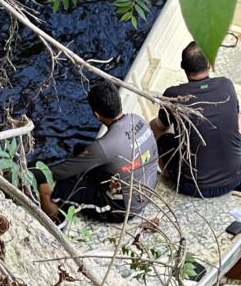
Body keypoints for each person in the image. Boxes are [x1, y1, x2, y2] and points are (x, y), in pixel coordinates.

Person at [36, 79, 158, 223]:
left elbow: (59, 172)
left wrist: (36, 174)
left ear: (96, 115)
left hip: (122, 207)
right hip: (147, 187)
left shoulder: (104, 147)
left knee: (46, 188)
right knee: (80, 150)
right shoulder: (136, 119)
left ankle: (56, 223)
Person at [151, 42, 241, 198]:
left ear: (183, 66)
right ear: (209, 64)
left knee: (160, 136)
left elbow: (160, 126)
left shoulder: (173, 95)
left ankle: (168, 177)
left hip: (194, 187)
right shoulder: (226, 85)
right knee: (238, 115)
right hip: (235, 176)